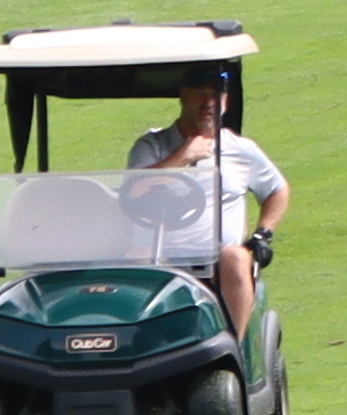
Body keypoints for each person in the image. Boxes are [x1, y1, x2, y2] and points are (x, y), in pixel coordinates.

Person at [120, 78, 286, 342]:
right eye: (200, 93)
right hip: (160, 256)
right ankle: (135, 349)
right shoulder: (152, 146)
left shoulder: (241, 150)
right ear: (183, 96)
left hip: (216, 260)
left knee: (237, 257)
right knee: (135, 257)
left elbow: (277, 190)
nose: (208, 102)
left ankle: (234, 350)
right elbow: (133, 189)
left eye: (216, 95)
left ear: (225, 101)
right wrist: (183, 156)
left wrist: (263, 234)